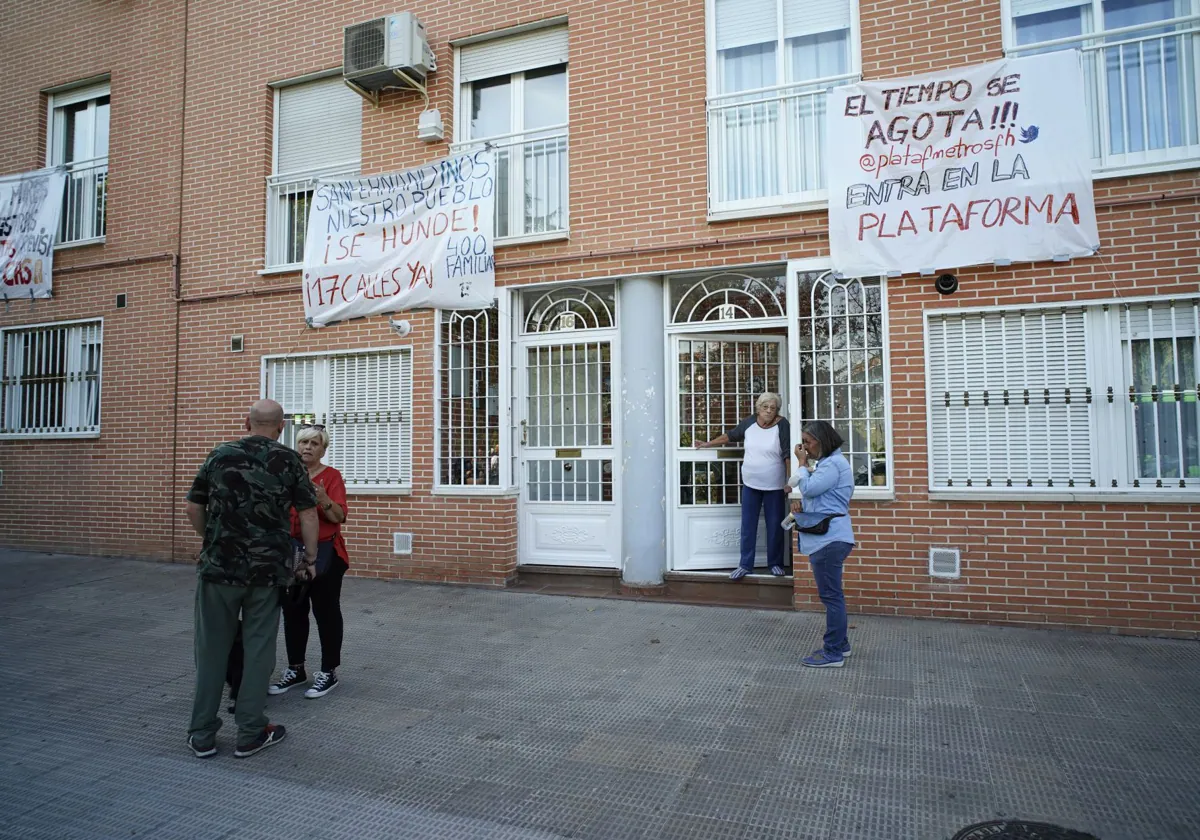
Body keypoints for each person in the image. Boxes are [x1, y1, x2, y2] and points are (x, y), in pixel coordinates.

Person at [185, 399, 319, 758]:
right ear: (280, 427)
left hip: (218, 570)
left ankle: (202, 734)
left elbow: (194, 506)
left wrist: (208, 541)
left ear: (247, 423)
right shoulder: (288, 460)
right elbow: (307, 513)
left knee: (212, 650)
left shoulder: (220, 454)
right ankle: (251, 730)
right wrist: (309, 558)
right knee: (259, 650)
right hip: (266, 572)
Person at [270, 424, 349, 699]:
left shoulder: (332, 476)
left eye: (314, 444)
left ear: (323, 449)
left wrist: (324, 498)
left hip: (326, 554)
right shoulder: (287, 475)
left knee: (326, 613)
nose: (307, 447)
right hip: (292, 552)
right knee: (293, 611)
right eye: (303, 442)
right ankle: (296, 668)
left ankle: (328, 671)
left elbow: (339, 517)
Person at [695, 392, 791, 580]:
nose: (769, 411)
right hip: (750, 484)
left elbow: (787, 454)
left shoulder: (782, 425)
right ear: (758, 408)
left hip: (775, 486)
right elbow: (730, 436)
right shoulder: (749, 423)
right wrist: (707, 444)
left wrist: (789, 481)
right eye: (765, 407)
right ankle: (745, 565)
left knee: (774, 526)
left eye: (773, 408)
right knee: (748, 526)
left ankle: (776, 564)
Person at [788, 420, 855, 668]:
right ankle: (842, 645)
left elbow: (811, 488)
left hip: (830, 539)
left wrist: (802, 464)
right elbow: (819, 497)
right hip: (831, 537)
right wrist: (803, 504)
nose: (804, 446)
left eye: (807, 441)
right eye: (803, 442)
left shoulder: (833, 465)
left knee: (831, 597)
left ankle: (833, 653)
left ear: (822, 440)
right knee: (832, 595)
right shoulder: (829, 464)